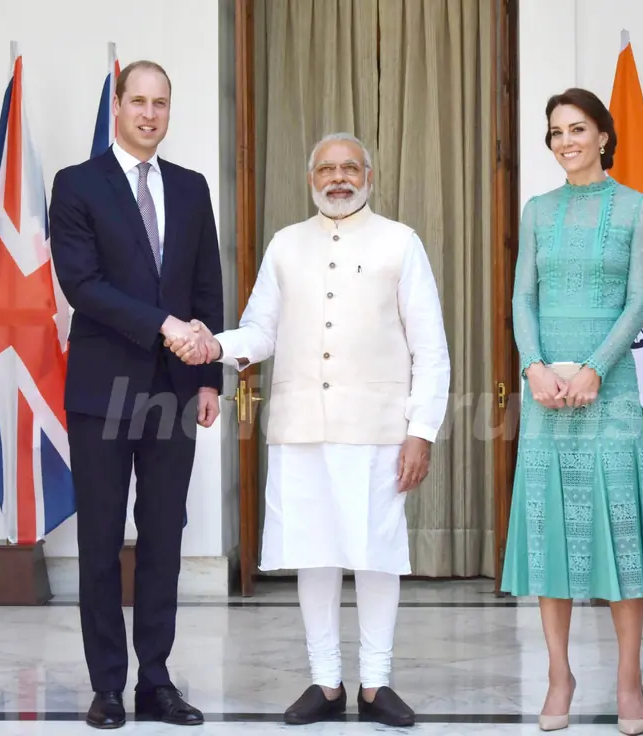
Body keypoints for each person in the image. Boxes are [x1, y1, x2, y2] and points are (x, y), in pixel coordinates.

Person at [168, 132, 450, 727]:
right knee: (314, 556)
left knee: (376, 558)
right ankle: (326, 683)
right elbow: (261, 330)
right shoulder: (285, 244)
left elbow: (432, 349)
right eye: (327, 168)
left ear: (369, 175)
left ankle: (376, 684)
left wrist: (421, 430)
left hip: (377, 431)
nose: (339, 177)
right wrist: (215, 343)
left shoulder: (401, 242)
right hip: (300, 429)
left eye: (350, 167)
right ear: (311, 178)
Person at [500, 88, 643, 735]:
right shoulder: (538, 211)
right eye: (555, 132)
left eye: (578, 129)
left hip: (610, 390)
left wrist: (594, 369)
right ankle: (559, 676)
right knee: (552, 530)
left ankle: (629, 681)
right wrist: (534, 367)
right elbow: (523, 296)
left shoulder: (637, 207)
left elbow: (640, 300)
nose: (566, 141)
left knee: (621, 533)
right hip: (547, 391)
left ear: (604, 135)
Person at [49, 60, 223, 729]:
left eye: (161, 104)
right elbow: (82, 285)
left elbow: (206, 283)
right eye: (139, 102)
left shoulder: (189, 186)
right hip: (101, 390)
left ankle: (155, 680)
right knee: (99, 541)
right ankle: (108, 687)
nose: (150, 115)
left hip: (175, 393)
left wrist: (208, 376)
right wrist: (163, 325)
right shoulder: (77, 185)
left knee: (162, 540)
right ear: (118, 106)